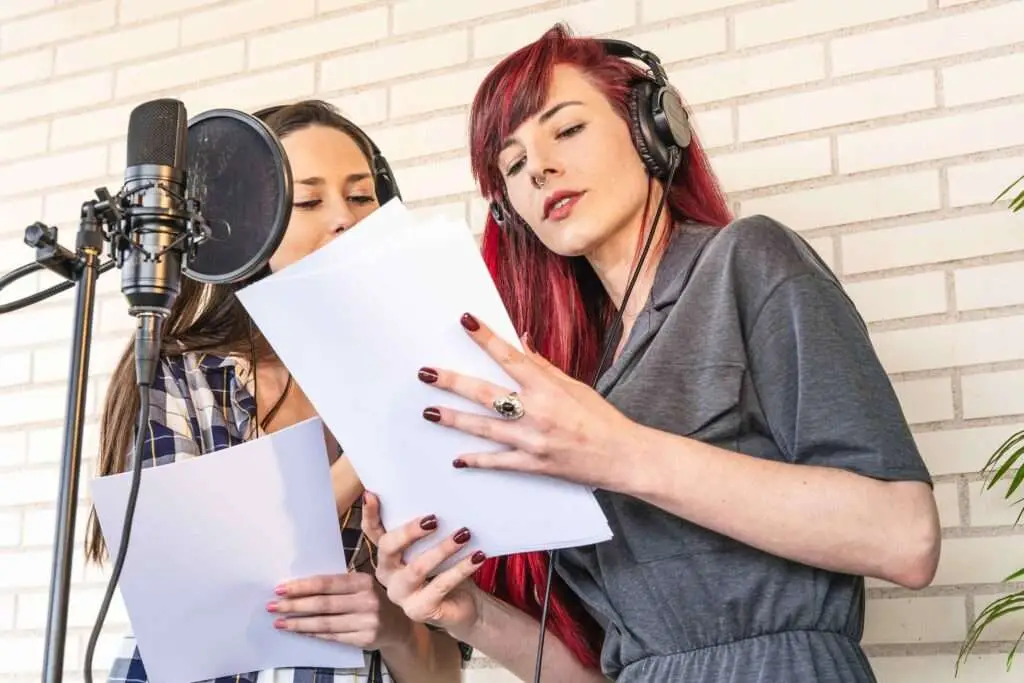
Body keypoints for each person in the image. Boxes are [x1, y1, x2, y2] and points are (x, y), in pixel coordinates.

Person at [344, 23, 943, 683]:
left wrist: (620, 453)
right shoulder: (569, 376)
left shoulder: (749, 262)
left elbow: (905, 538)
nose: (539, 167)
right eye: (512, 164)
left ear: (653, 129)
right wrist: (471, 615)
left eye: (566, 130)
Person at [85, 99, 470, 683]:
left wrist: (393, 626)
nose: (344, 218)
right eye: (310, 200)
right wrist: (380, 436)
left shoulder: (430, 382)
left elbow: (443, 673)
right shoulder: (179, 376)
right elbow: (197, 598)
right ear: (249, 224)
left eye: (362, 196)